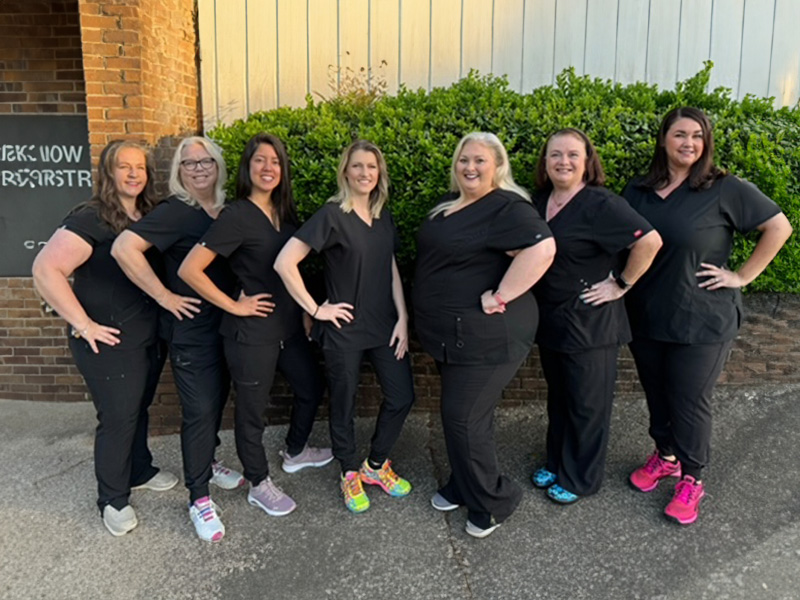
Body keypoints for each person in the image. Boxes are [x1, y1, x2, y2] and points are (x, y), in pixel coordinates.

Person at [623, 107, 792, 525]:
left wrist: (742, 276)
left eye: (697, 136)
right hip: (646, 316)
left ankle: (692, 477)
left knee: (688, 400)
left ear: (706, 143)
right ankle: (665, 457)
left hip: (702, 321)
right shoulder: (638, 190)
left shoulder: (724, 188)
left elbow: (779, 227)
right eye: (680, 134)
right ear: (663, 139)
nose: (689, 143)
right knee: (657, 393)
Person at [178, 133, 332, 519]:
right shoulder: (237, 216)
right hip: (250, 334)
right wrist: (234, 305)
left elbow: (292, 271)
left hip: (289, 328)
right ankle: (258, 483)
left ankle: (295, 450)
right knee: (251, 412)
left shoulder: (285, 215)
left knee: (311, 388)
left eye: (275, 161)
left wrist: (305, 310)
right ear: (247, 167)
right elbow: (190, 270)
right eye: (260, 160)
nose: (268, 167)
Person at [32, 140, 178, 537]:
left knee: (138, 408)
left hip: (146, 334)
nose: (133, 174)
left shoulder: (148, 214)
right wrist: (83, 324)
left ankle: (139, 470)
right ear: (108, 172)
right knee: (117, 418)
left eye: (139, 167)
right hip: (107, 340)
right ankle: (112, 498)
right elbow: (45, 269)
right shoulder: (92, 217)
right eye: (123, 166)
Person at [413, 132, 556, 538]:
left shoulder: (506, 206)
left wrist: (501, 294)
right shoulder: (449, 205)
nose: (470, 167)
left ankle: (495, 500)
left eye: (480, 160)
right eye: (464, 160)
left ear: (498, 166)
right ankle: (464, 484)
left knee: (462, 418)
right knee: (467, 418)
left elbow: (543, 248)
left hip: (488, 337)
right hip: (450, 335)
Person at [111, 137, 245, 543]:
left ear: (219, 166)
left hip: (227, 326)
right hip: (191, 332)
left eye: (206, 161)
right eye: (189, 163)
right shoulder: (175, 211)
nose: (199, 168)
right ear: (179, 171)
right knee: (200, 410)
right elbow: (124, 248)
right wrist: (164, 296)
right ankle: (198, 497)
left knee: (215, 402)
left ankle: (208, 461)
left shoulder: (227, 211)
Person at [275, 140, 415, 514]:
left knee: (402, 396)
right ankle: (349, 471)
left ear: (379, 173)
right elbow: (284, 262)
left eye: (371, 166)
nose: (365, 173)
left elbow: (389, 267)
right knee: (344, 402)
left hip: (385, 325)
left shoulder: (383, 216)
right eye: (357, 166)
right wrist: (315, 308)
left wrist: (403, 318)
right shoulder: (332, 215)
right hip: (344, 328)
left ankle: (375, 465)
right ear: (345, 172)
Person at [529, 128, 662, 505]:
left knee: (587, 406)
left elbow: (649, 241)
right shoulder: (539, 202)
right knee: (560, 399)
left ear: (587, 161)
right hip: (552, 320)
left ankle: (580, 478)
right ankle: (556, 462)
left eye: (573, 154)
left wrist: (621, 283)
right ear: (545, 161)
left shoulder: (601, 203)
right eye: (555, 154)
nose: (563, 162)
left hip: (591, 324)